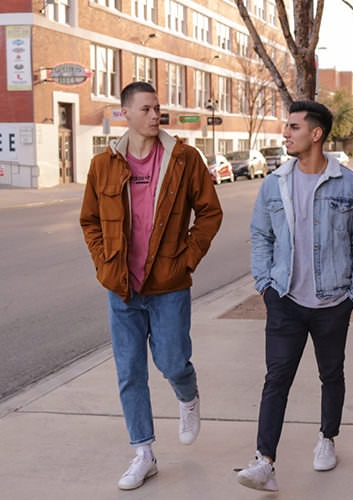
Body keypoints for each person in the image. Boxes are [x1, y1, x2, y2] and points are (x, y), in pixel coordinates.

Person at [79, 81, 223, 490]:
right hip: (122, 288)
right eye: (145, 108)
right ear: (125, 113)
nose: (154, 114)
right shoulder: (103, 164)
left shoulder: (183, 159)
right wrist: (104, 262)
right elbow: (90, 220)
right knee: (129, 371)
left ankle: (188, 397)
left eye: (157, 107)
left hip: (169, 286)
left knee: (173, 362)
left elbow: (210, 213)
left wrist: (187, 258)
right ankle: (143, 452)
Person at [238, 101, 353, 492]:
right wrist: (264, 284)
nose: (286, 133)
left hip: (333, 301)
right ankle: (265, 461)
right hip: (284, 299)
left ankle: (327, 438)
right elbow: (261, 235)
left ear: (315, 134)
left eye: (293, 127)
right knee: (276, 378)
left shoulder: (349, 184)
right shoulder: (274, 182)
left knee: (331, 374)